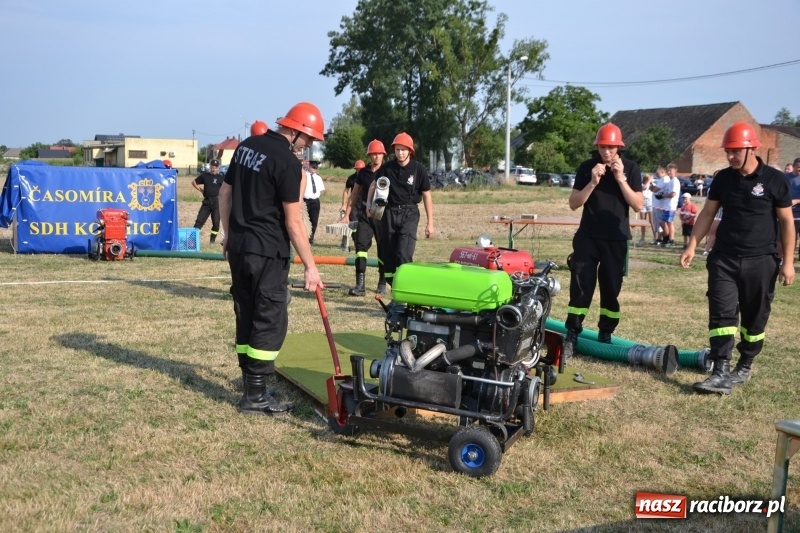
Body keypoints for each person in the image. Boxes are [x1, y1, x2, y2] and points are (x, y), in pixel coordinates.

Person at [218, 101, 324, 415]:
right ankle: (256, 397)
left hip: (239, 247)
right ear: (297, 131)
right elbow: (293, 222)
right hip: (268, 252)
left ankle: (251, 385)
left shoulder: (247, 146)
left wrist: (228, 236)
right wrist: (311, 266)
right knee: (269, 320)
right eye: (310, 139)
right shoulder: (287, 164)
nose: (310, 146)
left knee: (246, 313)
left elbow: (225, 194)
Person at [680, 121, 795, 395]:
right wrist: (691, 245)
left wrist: (788, 262)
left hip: (762, 260)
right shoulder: (722, 178)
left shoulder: (775, 180)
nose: (730, 156)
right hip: (724, 259)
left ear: (752, 148)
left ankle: (744, 364)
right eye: (727, 151)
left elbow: (787, 222)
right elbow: (707, 214)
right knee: (721, 313)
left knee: (755, 318)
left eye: (735, 151)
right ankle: (720, 370)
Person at [563, 123, 643, 361]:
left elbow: (638, 205)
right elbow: (574, 203)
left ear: (619, 147)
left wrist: (620, 179)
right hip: (587, 237)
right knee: (580, 287)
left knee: (611, 289)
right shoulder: (587, 167)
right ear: (597, 146)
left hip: (616, 238)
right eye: (602, 147)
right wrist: (593, 182)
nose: (606, 152)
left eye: (610, 147)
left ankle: (606, 333)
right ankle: (572, 334)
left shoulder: (631, 168)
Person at [375, 132, 434, 289]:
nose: (400, 153)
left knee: (403, 253)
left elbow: (427, 196)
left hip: (410, 213)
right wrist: (369, 205)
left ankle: (405, 291)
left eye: (403, 149)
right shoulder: (386, 169)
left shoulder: (419, 170)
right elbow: (374, 186)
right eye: (397, 149)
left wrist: (430, 223)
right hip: (389, 213)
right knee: (389, 257)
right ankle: (395, 289)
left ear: (410, 151)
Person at [340, 140, 388, 295]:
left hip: (383, 216)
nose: (376, 156)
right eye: (373, 154)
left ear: (383, 155)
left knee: (383, 249)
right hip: (365, 215)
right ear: (369, 155)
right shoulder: (363, 173)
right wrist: (347, 213)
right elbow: (354, 194)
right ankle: (360, 285)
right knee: (360, 247)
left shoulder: (389, 171)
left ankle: (382, 281)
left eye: (379, 153)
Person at [192, 158, 223, 243]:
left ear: (218, 168)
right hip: (206, 202)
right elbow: (194, 182)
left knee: (216, 223)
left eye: (216, 167)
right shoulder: (205, 176)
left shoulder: (221, 177)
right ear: (210, 167)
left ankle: (212, 241)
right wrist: (201, 190)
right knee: (199, 221)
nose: (214, 169)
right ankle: (192, 241)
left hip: (217, 203)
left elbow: (226, 189)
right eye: (213, 167)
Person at [339, 160, 365, 252]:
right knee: (353, 224)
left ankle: (361, 242)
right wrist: (343, 204)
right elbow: (346, 191)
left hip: (364, 205)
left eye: (361, 169)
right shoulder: (351, 178)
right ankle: (355, 242)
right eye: (357, 169)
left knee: (362, 225)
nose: (359, 171)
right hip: (353, 205)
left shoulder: (367, 177)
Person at [303, 161, 325, 244]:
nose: (314, 169)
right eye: (313, 167)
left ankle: (311, 238)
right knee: (304, 220)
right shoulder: (304, 176)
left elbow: (320, 190)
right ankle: (304, 237)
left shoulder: (318, 178)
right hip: (305, 200)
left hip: (315, 201)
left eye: (316, 168)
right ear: (309, 166)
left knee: (314, 221)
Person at [649, 166, 667, 244]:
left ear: (663, 172)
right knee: (657, 223)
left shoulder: (664, 180)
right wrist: (651, 184)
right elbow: (652, 189)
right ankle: (658, 238)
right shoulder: (661, 180)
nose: (657, 175)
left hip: (660, 205)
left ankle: (660, 239)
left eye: (658, 173)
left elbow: (654, 189)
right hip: (656, 205)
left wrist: (650, 182)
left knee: (660, 223)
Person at [789, 158, 800, 260]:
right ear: (793, 166)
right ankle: (790, 256)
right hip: (789, 212)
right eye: (798, 167)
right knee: (792, 236)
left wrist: (796, 201)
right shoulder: (786, 178)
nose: (799, 169)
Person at [638, 173, 653, 244]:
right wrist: (648, 181)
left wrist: (650, 182)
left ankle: (655, 237)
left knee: (651, 221)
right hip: (643, 202)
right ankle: (642, 237)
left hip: (650, 202)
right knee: (643, 221)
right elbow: (644, 188)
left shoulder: (652, 184)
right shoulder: (642, 185)